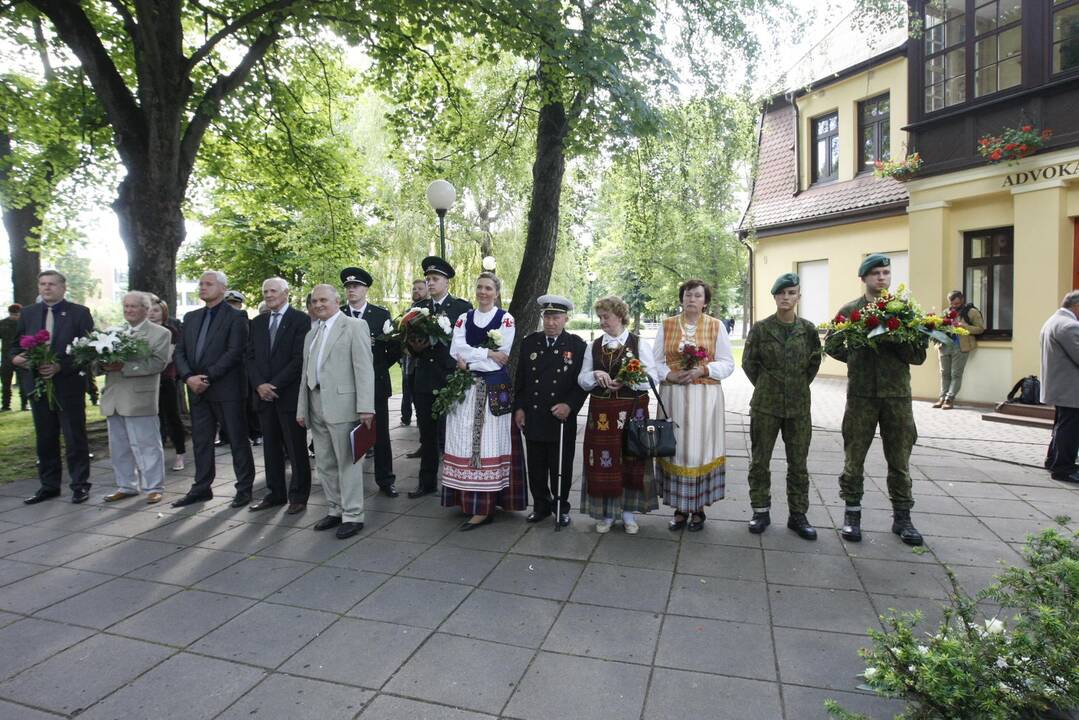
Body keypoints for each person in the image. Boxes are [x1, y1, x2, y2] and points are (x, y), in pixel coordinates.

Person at [825, 254, 925, 545]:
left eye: (886, 273)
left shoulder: (905, 311)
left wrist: (896, 340)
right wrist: (856, 355)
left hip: (897, 397)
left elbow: (918, 356)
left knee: (899, 460)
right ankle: (852, 515)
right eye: (876, 273)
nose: (881, 278)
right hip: (862, 396)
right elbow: (832, 343)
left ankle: (903, 518)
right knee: (854, 458)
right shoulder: (850, 310)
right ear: (864, 278)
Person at [441, 272, 525, 529]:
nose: (483, 292)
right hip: (465, 390)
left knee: (488, 446)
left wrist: (473, 359)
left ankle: (484, 506)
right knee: (464, 443)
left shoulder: (506, 319)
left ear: (497, 292)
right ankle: (466, 499)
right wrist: (487, 352)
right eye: (479, 287)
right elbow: (456, 350)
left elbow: (503, 356)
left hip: (492, 390)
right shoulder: (464, 318)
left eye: (488, 288)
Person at [742, 273, 822, 539]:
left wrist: (795, 385)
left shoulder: (808, 330)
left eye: (791, 293)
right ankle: (760, 511)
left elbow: (813, 363)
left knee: (798, 463)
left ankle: (798, 515)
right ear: (775, 297)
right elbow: (749, 363)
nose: (786, 298)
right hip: (766, 404)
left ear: (799, 296)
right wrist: (768, 384)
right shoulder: (761, 329)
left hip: (798, 406)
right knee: (760, 461)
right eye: (781, 293)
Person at [654, 279, 735, 533]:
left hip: (705, 400)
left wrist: (704, 368)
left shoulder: (716, 326)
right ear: (681, 299)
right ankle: (679, 508)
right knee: (676, 449)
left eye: (697, 296)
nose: (692, 299)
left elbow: (728, 363)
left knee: (700, 450)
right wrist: (669, 375)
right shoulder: (667, 326)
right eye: (688, 295)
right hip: (674, 397)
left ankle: (698, 508)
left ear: (705, 301)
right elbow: (654, 361)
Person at [297, 284, 375, 539]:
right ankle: (335, 509)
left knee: (347, 463)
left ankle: (353, 515)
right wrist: (302, 408)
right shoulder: (312, 333)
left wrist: (366, 407)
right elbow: (305, 375)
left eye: (323, 300)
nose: (318, 304)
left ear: (336, 300)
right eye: (314, 301)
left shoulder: (354, 326)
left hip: (344, 406)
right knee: (325, 462)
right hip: (316, 404)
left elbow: (364, 369)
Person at [172, 270, 256, 508]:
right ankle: (201, 487)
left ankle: (244, 488)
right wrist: (189, 377)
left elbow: (234, 352)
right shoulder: (191, 317)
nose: (202, 288)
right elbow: (180, 352)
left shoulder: (236, 317)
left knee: (237, 440)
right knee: (201, 441)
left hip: (226, 389)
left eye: (208, 284)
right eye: (200, 284)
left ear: (222, 288)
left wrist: (205, 378)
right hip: (196, 390)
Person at [577, 295, 659, 533]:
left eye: (607, 317)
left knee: (631, 459)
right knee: (604, 462)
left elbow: (652, 379)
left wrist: (629, 379)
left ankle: (628, 514)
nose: (603, 321)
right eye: (600, 317)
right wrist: (595, 376)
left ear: (621, 317)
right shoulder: (593, 346)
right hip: (602, 415)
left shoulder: (639, 344)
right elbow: (582, 380)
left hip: (632, 412)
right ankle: (607, 514)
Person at [13, 270, 95, 504]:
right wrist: (16, 359)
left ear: (63, 287)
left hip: (68, 385)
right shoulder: (28, 314)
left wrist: (61, 367)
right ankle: (48, 486)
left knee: (74, 437)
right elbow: (14, 346)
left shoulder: (79, 313)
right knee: (45, 437)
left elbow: (88, 350)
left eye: (51, 284)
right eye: (42, 284)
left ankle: (80, 485)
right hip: (37, 386)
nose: (46, 288)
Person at [513, 295, 588, 526]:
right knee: (535, 466)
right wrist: (519, 408)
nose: (551, 322)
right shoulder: (530, 343)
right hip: (534, 416)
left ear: (566, 318)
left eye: (556, 317)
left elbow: (581, 384)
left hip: (561, 419)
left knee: (561, 466)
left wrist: (570, 405)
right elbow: (521, 380)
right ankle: (541, 506)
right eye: (547, 317)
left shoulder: (577, 346)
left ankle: (560, 507)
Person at [408, 256, 472, 498]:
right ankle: (426, 483)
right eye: (428, 279)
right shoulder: (418, 309)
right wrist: (416, 346)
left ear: (447, 282)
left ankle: (458, 484)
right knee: (427, 434)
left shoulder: (461, 308)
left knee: (455, 433)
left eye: (435, 279)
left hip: (450, 378)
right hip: (424, 379)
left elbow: (468, 342)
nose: (430, 283)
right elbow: (409, 345)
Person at [247, 277, 312, 514]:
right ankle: (275, 494)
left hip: (288, 396)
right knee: (270, 448)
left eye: (273, 290)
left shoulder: (301, 320)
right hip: (263, 397)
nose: (268, 294)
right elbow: (250, 357)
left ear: (286, 293)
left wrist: (273, 385)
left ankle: (298, 496)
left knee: (295, 448)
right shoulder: (258, 322)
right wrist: (259, 386)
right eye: (265, 291)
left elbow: (298, 359)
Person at [100, 292, 172, 504]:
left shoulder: (160, 333)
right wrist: (98, 362)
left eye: (133, 306)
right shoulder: (113, 331)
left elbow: (158, 364)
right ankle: (126, 485)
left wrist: (125, 366)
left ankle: (154, 487)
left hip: (140, 398)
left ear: (145, 309)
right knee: (119, 446)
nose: (128, 310)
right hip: (113, 398)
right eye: (126, 306)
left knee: (147, 445)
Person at [340, 266, 401, 497]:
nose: (351, 290)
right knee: (348, 433)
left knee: (380, 434)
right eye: (348, 287)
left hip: (375, 383)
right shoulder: (340, 314)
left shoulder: (380, 315)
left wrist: (377, 369)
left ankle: (386, 480)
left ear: (366, 289)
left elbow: (394, 347)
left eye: (356, 286)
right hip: (345, 385)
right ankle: (349, 481)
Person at [1040, 291, 1079, 484]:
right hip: (1071, 388)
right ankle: (1064, 468)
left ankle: (1053, 460)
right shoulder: (1069, 326)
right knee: (1070, 429)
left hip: (1062, 387)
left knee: (1062, 426)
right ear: (1076, 306)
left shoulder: (1054, 321)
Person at [148, 297, 187, 470]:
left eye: (156, 310)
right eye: (149, 310)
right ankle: (156, 454)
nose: (152, 314)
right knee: (152, 420)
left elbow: (167, 358)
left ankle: (180, 453)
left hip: (165, 380)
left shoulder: (170, 331)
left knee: (172, 417)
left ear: (163, 312)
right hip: (145, 383)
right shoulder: (140, 331)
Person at [933, 290, 985, 409]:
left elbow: (980, 329)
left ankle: (949, 399)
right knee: (944, 373)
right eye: (952, 304)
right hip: (944, 346)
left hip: (961, 346)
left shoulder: (972, 312)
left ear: (962, 300)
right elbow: (939, 327)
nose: (954, 306)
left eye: (956, 303)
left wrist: (964, 326)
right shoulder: (946, 312)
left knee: (956, 374)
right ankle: (942, 397)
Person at [401, 278, 429, 428]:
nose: (416, 291)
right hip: (407, 360)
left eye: (420, 288)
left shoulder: (427, 310)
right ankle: (406, 416)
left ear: (427, 291)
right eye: (414, 289)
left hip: (420, 362)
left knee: (420, 399)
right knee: (408, 390)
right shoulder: (408, 310)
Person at [1, 303, 27, 412]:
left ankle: (7, 405)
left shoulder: (3, 323)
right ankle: (23, 405)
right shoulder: (24, 324)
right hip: (19, 355)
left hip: (9, 356)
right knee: (15, 382)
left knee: (8, 382)